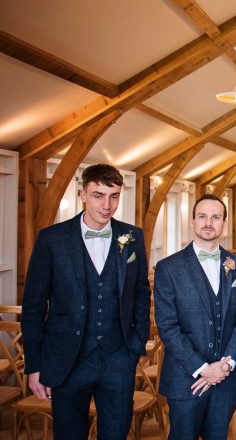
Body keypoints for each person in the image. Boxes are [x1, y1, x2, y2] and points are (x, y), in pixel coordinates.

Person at [21, 163, 151, 440]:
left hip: (118, 359)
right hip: (67, 360)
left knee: (116, 434)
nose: (107, 205)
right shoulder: (51, 239)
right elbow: (33, 307)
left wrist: (136, 342)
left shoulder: (132, 236)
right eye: (98, 195)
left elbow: (141, 291)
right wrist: (34, 365)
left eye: (114, 196)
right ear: (82, 194)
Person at [154, 193, 236, 440]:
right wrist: (202, 369)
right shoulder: (169, 267)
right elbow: (167, 326)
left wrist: (226, 365)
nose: (208, 222)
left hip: (226, 378)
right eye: (202, 216)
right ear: (192, 221)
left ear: (224, 224)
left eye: (216, 217)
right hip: (185, 378)